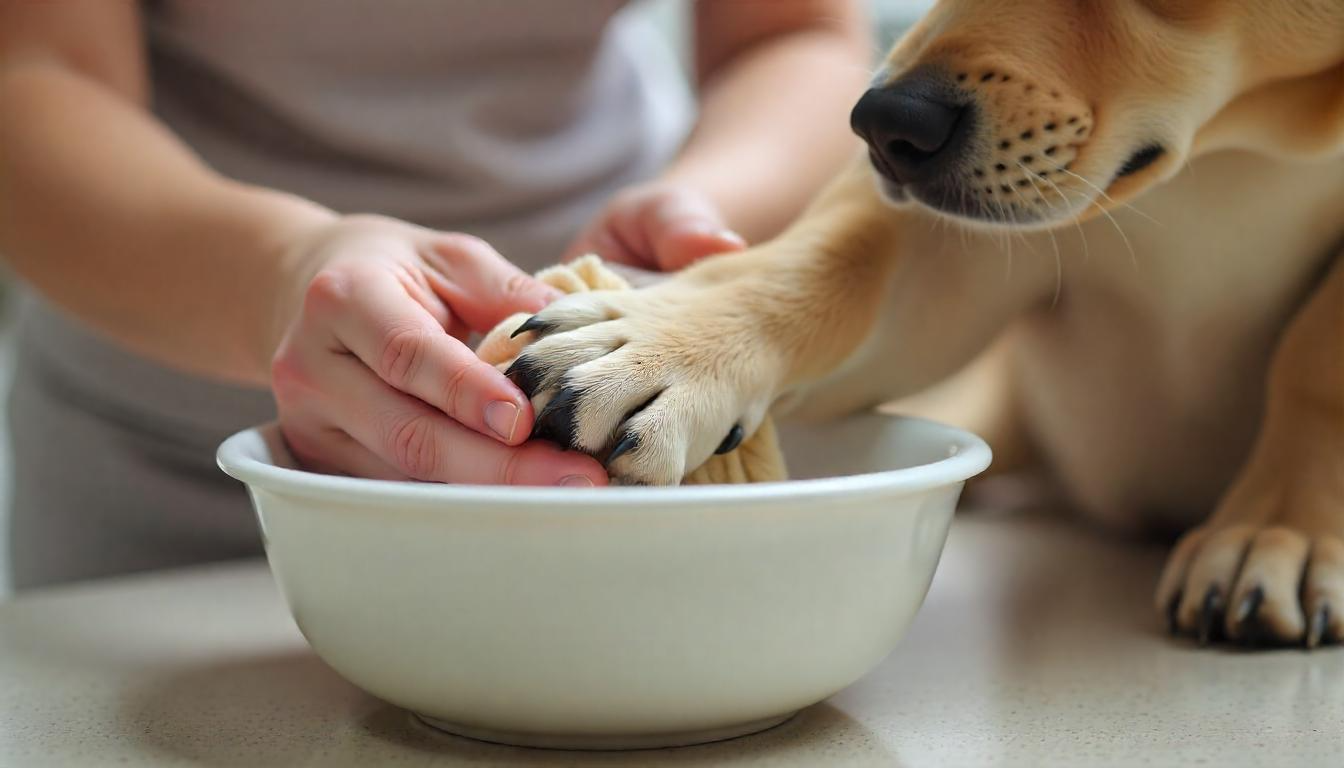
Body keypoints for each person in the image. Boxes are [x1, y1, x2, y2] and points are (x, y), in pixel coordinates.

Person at [0, 0, 870, 588]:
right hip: (171, 473)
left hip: (621, 437)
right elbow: (34, 74)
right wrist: (283, 273)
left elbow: (792, 31)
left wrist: (703, 223)